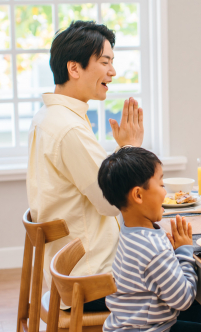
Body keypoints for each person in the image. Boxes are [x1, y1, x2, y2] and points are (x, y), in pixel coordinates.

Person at [27, 21, 144, 311]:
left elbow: (95, 183)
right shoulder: (69, 129)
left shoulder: (49, 117)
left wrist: (122, 150)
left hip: (69, 276)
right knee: (192, 275)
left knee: (178, 268)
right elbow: (112, 203)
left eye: (112, 62)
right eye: (105, 62)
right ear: (74, 68)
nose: (112, 71)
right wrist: (131, 150)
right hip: (91, 282)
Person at [98, 147, 201, 332]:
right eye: (161, 184)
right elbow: (184, 300)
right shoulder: (152, 248)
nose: (165, 192)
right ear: (138, 195)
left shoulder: (129, 228)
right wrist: (184, 251)